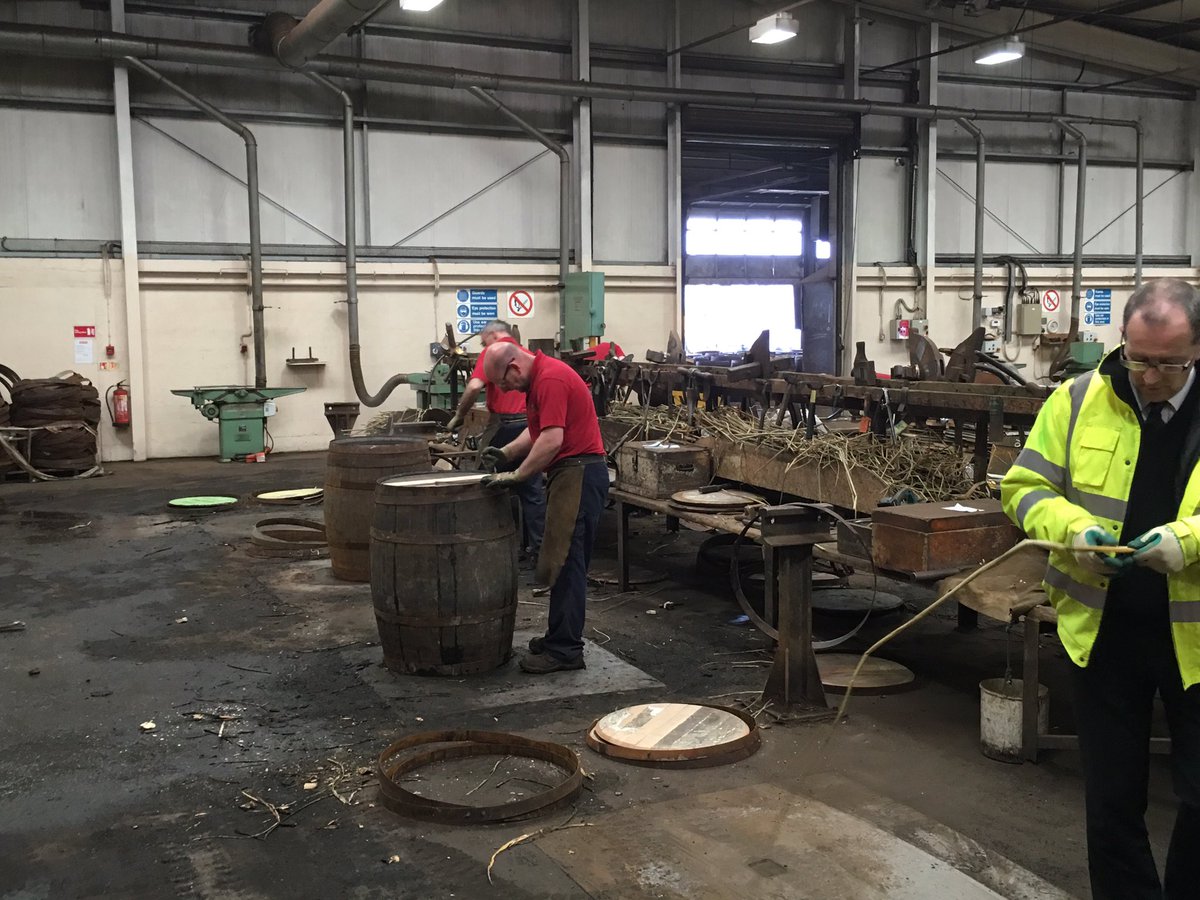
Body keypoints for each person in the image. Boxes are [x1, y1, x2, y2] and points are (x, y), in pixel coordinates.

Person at [1001, 278, 1200, 899]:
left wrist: (1186, 541)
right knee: (1112, 799)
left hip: (1195, 641)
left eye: (1169, 363)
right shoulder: (1077, 399)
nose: (1149, 376)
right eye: (1138, 358)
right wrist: (1076, 531)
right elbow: (1023, 488)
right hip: (1103, 631)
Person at [480, 341, 609, 674]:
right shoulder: (540, 380)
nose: (505, 389)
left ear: (514, 368)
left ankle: (566, 651)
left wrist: (518, 475)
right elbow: (536, 430)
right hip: (570, 473)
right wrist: (507, 453)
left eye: (504, 383)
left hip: (578, 473)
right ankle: (558, 637)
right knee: (558, 561)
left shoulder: (550, 379)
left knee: (567, 564)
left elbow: (551, 440)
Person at [446, 320, 545, 559]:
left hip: (504, 426)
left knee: (482, 483)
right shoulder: (526, 354)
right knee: (531, 490)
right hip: (529, 425)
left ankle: (485, 547)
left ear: (493, 335)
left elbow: (473, 387)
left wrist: (459, 416)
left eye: (483, 341)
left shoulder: (494, 353)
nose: (483, 346)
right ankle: (538, 550)